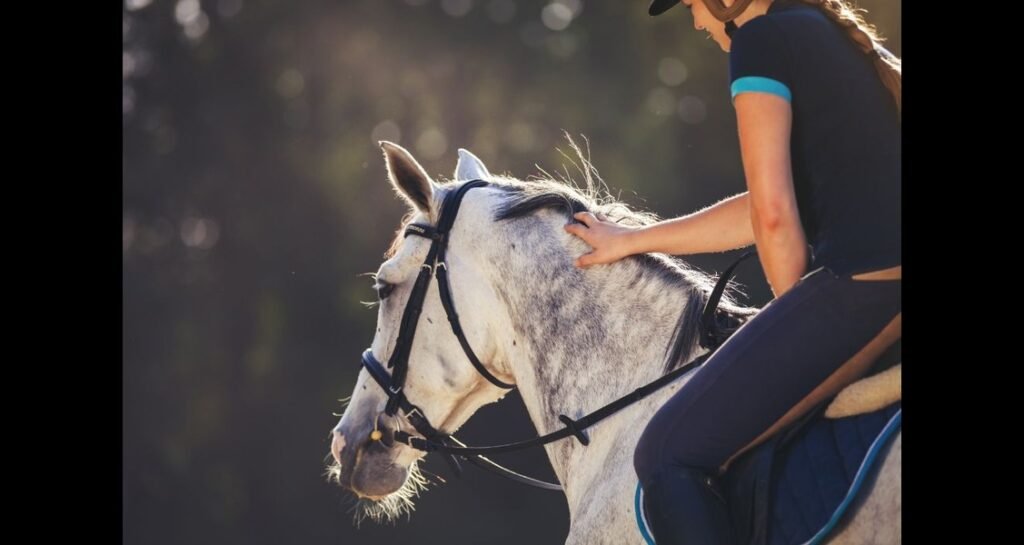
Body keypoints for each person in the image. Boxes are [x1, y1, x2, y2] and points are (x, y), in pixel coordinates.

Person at [561, 1, 901, 543]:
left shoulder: (758, 42)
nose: (697, 21)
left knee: (665, 455)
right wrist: (633, 240)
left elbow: (773, 215)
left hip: (867, 287)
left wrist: (790, 315)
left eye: (693, 5)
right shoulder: (823, 31)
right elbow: (761, 207)